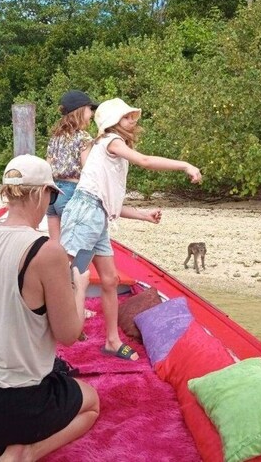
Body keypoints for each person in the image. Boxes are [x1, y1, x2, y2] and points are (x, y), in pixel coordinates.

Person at [0, 154, 99, 462]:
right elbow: (69, 334)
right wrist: (79, 287)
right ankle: (24, 453)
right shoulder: (46, 252)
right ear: (42, 193)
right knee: (91, 402)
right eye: (52, 195)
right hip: (9, 404)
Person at [60, 98, 202, 361]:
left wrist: (143, 215)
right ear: (113, 124)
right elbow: (145, 161)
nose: (132, 121)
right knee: (68, 277)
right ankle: (53, 337)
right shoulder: (111, 141)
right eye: (126, 118)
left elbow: (108, 202)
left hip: (97, 216)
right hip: (84, 214)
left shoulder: (113, 148)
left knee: (110, 280)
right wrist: (185, 165)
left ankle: (112, 341)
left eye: (132, 117)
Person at [46, 90, 98, 243]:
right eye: (90, 109)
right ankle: (81, 268)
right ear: (81, 111)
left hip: (52, 193)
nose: (92, 113)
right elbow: (88, 170)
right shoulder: (83, 137)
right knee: (78, 246)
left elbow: (47, 166)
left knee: (56, 247)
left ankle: (57, 268)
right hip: (71, 192)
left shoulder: (55, 137)